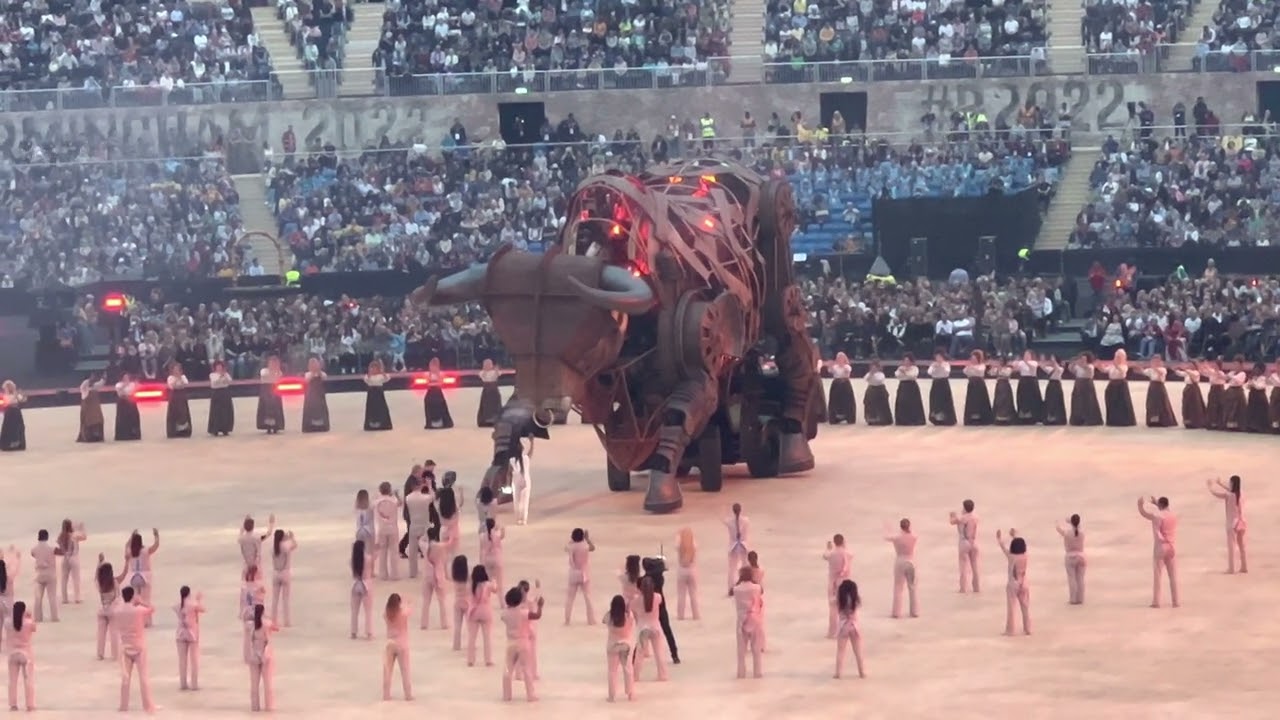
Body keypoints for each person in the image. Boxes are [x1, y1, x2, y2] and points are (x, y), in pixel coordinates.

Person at [113, 586, 156, 712]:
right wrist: (141, 601)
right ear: (132, 596)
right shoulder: (138, 610)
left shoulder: (118, 611)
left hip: (125, 646)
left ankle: (123, 705)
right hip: (139, 645)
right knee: (143, 677)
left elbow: (117, 608)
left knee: (126, 678)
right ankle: (148, 706)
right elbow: (152, 609)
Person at [500, 585, 542, 702]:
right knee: (526, 669)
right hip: (523, 642)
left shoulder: (505, 613)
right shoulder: (523, 613)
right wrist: (540, 606)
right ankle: (530, 695)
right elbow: (537, 616)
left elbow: (503, 617)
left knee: (508, 669)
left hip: (511, 642)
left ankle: (507, 695)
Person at [1137, 496, 1179, 608]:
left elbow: (1144, 514)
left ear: (1160, 505)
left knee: (1158, 575)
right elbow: (1165, 511)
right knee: (1173, 576)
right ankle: (1176, 601)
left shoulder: (1157, 516)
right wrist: (1157, 504)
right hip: (1172, 546)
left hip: (1161, 547)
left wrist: (1140, 505)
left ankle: (1156, 602)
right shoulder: (1173, 515)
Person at [630, 576, 668, 681]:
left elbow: (631, 608)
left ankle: (635, 676)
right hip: (656, 627)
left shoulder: (636, 601)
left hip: (643, 629)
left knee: (640, 654)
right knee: (659, 652)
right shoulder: (658, 597)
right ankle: (663, 675)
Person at [1206, 476, 1247, 573]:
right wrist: (1220, 484)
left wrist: (1210, 487)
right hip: (1242, 522)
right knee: (1242, 546)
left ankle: (1231, 569)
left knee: (1231, 547)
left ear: (1232, 483)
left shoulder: (1229, 495)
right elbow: (1232, 490)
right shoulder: (1241, 493)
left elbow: (1216, 494)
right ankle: (1244, 566)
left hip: (1232, 524)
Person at [729, 566, 764, 679]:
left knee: (741, 651)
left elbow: (730, 592)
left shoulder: (737, 589)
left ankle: (741, 673)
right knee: (756, 649)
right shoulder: (756, 588)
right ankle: (757, 673)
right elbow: (761, 591)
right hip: (755, 619)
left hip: (741, 620)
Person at [245, 604, 278, 712]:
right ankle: (269, 707)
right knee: (268, 683)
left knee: (254, 684)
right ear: (263, 612)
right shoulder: (266, 624)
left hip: (254, 654)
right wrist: (268, 617)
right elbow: (277, 628)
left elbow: (245, 618)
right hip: (265, 654)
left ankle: (255, 707)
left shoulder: (250, 625)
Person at [997, 529, 1030, 635]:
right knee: (1025, 607)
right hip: (1024, 583)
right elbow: (1020, 543)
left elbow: (1003, 548)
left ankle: (1010, 630)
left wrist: (999, 539)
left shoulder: (1011, 557)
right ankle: (1028, 628)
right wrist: (1014, 535)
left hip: (1013, 584)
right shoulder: (1025, 556)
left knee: (1011, 608)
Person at [123, 530, 159, 626]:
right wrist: (156, 536)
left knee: (135, 599)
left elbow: (126, 545)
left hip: (133, 577)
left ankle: (136, 620)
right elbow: (155, 547)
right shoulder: (145, 551)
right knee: (145, 599)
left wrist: (131, 537)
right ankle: (147, 621)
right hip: (145, 577)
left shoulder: (130, 552)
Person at [884, 519, 918, 618]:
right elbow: (914, 533)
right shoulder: (914, 537)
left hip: (900, 561)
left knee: (898, 587)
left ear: (900, 527)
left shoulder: (897, 537)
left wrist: (888, 528)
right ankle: (914, 611)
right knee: (912, 587)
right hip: (911, 561)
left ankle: (896, 612)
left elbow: (886, 537)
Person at [603, 595, 635, 702]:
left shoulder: (609, 616)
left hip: (612, 646)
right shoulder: (629, 616)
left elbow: (604, 621)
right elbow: (632, 621)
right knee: (628, 669)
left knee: (612, 671)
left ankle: (612, 696)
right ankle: (630, 694)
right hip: (626, 645)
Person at [832, 580, 865, 680]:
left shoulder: (839, 601)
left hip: (843, 626)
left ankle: (838, 673)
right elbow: (859, 604)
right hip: (854, 626)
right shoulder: (856, 600)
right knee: (858, 651)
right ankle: (862, 672)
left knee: (841, 651)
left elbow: (832, 601)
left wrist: (836, 591)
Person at [382, 593, 413, 701]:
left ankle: (386, 695)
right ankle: (408, 695)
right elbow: (409, 609)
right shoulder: (403, 613)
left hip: (390, 643)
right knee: (405, 670)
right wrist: (406, 602)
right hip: (402, 644)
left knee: (387, 670)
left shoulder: (386, 614)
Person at [174, 586, 205, 691]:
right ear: (189, 593)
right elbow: (203, 609)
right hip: (192, 633)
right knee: (194, 660)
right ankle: (194, 684)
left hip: (180, 633)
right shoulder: (193, 604)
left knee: (182, 660)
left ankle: (183, 683)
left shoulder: (178, 605)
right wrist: (198, 599)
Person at [94, 556, 125, 661]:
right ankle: (114, 654)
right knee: (114, 633)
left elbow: (96, 575)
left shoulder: (99, 583)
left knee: (101, 633)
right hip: (113, 610)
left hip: (102, 609)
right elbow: (123, 575)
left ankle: (100, 654)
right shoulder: (114, 582)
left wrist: (99, 563)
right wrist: (127, 562)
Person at [822, 535, 853, 638]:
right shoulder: (846, 553)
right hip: (844, 583)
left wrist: (828, 548)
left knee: (833, 608)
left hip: (833, 582)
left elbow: (825, 555)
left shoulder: (831, 554)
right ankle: (845, 630)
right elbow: (851, 554)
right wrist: (844, 546)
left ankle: (832, 632)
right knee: (846, 607)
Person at [6, 601, 35, 711]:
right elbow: (34, 628)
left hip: (12, 653)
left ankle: (13, 704)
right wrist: (30, 617)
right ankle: (30, 704)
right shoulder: (28, 623)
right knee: (28, 680)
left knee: (12, 681)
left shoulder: (8, 622)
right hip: (26, 654)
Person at [466, 565, 497, 667]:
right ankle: (488, 660)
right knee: (487, 637)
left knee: (472, 637)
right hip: (486, 611)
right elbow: (495, 589)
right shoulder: (487, 585)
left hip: (474, 611)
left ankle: (470, 660)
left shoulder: (471, 585)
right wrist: (493, 580)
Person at [418, 527, 448, 630]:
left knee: (426, 600)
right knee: (441, 600)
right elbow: (445, 556)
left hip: (427, 574)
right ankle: (444, 623)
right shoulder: (440, 546)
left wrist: (425, 536)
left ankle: (424, 623)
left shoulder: (424, 546)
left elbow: (420, 540)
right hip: (438, 575)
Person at [565, 529, 597, 625]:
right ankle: (591, 620)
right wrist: (587, 539)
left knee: (570, 598)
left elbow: (566, 548)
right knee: (588, 598)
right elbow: (593, 548)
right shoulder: (585, 546)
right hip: (584, 573)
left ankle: (567, 620)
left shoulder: (571, 547)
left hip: (574, 573)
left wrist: (571, 541)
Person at [404, 482, 435, 579]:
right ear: (420, 486)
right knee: (427, 550)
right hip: (424, 525)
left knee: (412, 551)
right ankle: (429, 570)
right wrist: (429, 486)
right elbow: (433, 496)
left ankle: (413, 572)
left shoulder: (408, 498)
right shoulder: (424, 498)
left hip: (413, 525)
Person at [373, 482, 402, 580]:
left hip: (382, 529)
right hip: (393, 528)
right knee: (394, 552)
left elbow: (371, 504)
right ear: (389, 490)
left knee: (382, 552)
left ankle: (383, 575)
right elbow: (401, 503)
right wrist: (396, 495)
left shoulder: (377, 502)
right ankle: (394, 575)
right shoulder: (393, 501)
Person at [949, 500, 979, 593]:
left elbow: (952, 522)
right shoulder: (976, 517)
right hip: (974, 542)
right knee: (975, 567)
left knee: (963, 567)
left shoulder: (962, 518)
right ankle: (976, 588)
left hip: (964, 542)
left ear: (965, 508)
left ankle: (963, 589)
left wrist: (952, 515)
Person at [1055, 515, 1086, 604]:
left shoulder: (1067, 533)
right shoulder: (1082, 532)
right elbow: (1078, 527)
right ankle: (1081, 599)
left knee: (1072, 578)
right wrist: (1071, 522)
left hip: (1070, 556)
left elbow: (1059, 529)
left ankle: (1073, 599)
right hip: (1081, 556)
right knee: (1080, 579)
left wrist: (1058, 523)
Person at [270, 529, 297, 627]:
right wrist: (291, 538)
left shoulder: (273, 548)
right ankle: (287, 621)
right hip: (285, 572)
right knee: (285, 599)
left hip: (276, 572)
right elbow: (295, 545)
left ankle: (273, 621)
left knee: (275, 599)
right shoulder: (286, 546)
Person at [56, 520, 86, 605]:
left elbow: (60, 545)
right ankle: (77, 598)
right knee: (76, 578)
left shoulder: (61, 536)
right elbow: (84, 537)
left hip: (65, 557)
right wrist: (81, 528)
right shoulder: (74, 535)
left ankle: (65, 599)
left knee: (64, 579)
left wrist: (65, 553)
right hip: (73, 557)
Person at [29, 531, 57, 622]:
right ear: (47, 537)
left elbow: (32, 554)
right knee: (52, 597)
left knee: (38, 598)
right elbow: (61, 552)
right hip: (50, 573)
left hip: (39, 574)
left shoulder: (34, 549)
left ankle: (38, 617)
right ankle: (54, 617)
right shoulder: (51, 548)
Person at [1068, 353, 1103, 426]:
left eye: (1084, 359)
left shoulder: (1090, 366)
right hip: (1078, 384)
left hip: (1087, 385)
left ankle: (1090, 419)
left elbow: (1085, 367)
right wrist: (1072, 364)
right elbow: (1072, 371)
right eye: (1081, 359)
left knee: (1088, 402)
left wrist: (1078, 363)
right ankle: (1078, 419)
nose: (1082, 360)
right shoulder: (1078, 366)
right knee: (1078, 402)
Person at [1143, 356, 1178, 427]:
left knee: (1162, 403)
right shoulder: (1150, 370)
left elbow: (1160, 374)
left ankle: (1163, 420)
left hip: (1159, 387)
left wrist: (1154, 367)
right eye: (1153, 361)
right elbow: (1144, 372)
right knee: (1152, 404)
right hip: (1152, 387)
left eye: (1156, 361)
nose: (1154, 363)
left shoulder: (1162, 369)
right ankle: (1153, 420)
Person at [1103, 351, 1136, 426]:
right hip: (1112, 385)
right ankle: (1113, 420)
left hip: (1121, 386)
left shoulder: (1124, 366)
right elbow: (1104, 370)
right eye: (1116, 357)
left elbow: (1122, 372)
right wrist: (1100, 366)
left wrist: (1116, 366)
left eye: (1119, 357)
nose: (1117, 359)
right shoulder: (1111, 366)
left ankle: (1124, 421)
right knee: (1112, 402)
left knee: (1122, 403)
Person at [724, 504, 751, 594]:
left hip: (735, 545)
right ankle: (745, 586)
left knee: (733, 567)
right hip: (742, 545)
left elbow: (725, 520)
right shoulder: (746, 520)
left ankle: (732, 587)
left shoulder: (728, 521)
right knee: (744, 565)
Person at [891, 355, 925, 425]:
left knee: (912, 403)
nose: (906, 362)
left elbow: (913, 376)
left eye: (908, 361)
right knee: (902, 401)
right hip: (903, 386)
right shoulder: (901, 368)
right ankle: (902, 420)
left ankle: (914, 420)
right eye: (905, 361)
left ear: (911, 361)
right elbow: (897, 375)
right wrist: (903, 372)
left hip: (912, 387)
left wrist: (905, 372)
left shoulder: (914, 368)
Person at [350, 540, 374, 639]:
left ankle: (353, 632)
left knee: (354, 611)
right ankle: (369, 632)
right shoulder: (368, 558)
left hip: (355, 584)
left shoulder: (352, 560)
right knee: (368, 611)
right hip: (366, 584)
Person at [674, 528, 700, 621]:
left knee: (681, 594)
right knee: (693, 594)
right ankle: (696, 615)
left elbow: (677, 545)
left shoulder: (679, 545)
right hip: (692, 569)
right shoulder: (694, 544)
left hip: (682, 570)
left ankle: (680, 615)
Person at [256, 356, 286, 434]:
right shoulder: (264, 371)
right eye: (271, 363)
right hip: (266, 390)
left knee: (276, 408)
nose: (273, 364)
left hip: (275, 390)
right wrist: (272, 371)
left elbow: (278, 378)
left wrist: (275, 370)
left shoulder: (279, 372)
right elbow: (265, 376)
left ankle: (276, 425)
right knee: (266, 408)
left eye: (275, 363)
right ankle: (267, 426)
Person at [423, 357, 455, 429]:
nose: (433, 368)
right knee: (428, 403)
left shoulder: (441, 374)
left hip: (437, 392)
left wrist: (436, 377)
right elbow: (427, 383)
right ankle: (431, 422)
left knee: (439, 404)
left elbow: (441, 382)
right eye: (431, 366)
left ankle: (441, 421)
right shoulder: (427, 374)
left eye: (435, 366)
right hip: (430, 392)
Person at [963, 350, 993, 425]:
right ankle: (972, 418)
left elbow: (980, 370)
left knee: (980, 401)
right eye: (972, 359)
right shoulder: (969, 366)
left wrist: (972, 368)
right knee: (972, 401)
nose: (973, 360)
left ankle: (982, 418)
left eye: (975, 359)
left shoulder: (982, 365)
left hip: (979, 385)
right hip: (972, 385)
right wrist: (970, 367)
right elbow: (965, 371)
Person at [301, 356, 330, 432]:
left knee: (320, 410)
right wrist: (313, 373)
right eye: (312, 365)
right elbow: (306, 380)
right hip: (310, 396)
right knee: (311, 410)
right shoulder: (307, 374)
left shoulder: (322, 374)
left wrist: (319, 372)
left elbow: (325, 378)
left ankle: (321, 425)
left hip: (320, 395)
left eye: (315, 364)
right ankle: (310, 426)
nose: (314, 366)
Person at [826, 352, 856, 424]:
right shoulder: (835, 367)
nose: (840, 359)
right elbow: (830, 371)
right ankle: (836, 417)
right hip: (836, 385)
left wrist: (842, 366)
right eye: (838, 358)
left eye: (841, 358)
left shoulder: (847, 366)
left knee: (846, 401)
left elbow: (847, 372)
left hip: (845, 385)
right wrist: (830, 365)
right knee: (835, 401)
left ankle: (848, 416)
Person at [1014, 350, 1044, 424]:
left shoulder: (1034, 362)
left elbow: (1033, 370)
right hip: (1023, 381)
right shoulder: (1021, 363)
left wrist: (1026, 362)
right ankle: (1023, 416)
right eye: (1025, 354)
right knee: (1022, 398)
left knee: (1032, 398)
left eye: (1028, 355)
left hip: (1031, 381)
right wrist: (1016, 364)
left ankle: (1034, 416)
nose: (1026, 356)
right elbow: (1016, 370)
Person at [206, 360, 235, 436]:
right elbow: (214, 382)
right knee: (216, 412)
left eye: (220, 366)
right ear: (215, 367)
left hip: (225, 393)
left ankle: (225, 429)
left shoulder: (226, 374)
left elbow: (229, 381)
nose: (219, 368)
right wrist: (221, 377)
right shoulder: (212, 375)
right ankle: (215, 429)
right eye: (217, 366)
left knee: (225, 412)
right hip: (216, 394)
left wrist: (224, 376)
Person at [364, 360, 394, 431]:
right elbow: (367, 380)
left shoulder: (381, 376)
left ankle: (383, 424)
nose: (374, 370)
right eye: (372, 368)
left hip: (379, 393)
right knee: (372, 408)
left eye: (376, 368)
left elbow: (387, 378)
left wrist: (382, 372)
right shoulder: (368, 376)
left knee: (381, 408)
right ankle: (371, 424)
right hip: (371, 393)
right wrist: (369, 373)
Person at [164, 363, 192, 438]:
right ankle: (174, 431)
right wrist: (177, 380)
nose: (176, 371)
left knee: (183, 413)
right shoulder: (170, 378)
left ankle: (184, 430)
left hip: (182, 396)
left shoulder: (183, 377)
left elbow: (185, 384)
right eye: (175, 369)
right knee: (174, 413)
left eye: (178, 369)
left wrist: (180, 379)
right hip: (174, 397)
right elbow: (172, 386)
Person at [927, 353, 956, 425]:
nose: (938, 359)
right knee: (936, 401)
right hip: (936, 383)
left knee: (944, 401)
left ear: (943, 357)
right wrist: (935, 367)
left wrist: (941, 366)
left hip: (944, 383)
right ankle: (937, 419)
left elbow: (947, 372)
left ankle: (946, 419)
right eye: (937, 357)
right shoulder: (933, 364)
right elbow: (929, 372)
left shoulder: (946, 364)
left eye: (940, 357)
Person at [480, 518, 506, 598]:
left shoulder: (482, 536)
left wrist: (481, 562)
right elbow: (503, 535)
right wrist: (501, 527)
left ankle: (487, 599)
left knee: (488, 582)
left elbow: (481, 550)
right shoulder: (497, 535)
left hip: (487, 559)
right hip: (496, 559)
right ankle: (502, 602)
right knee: (500, 582)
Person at [77, 374, 106, 442]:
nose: (93, 379)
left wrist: (104, 377)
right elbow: (85, 384)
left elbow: (101, 383)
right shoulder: (84, 388)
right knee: (88, 421)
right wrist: (89, 380)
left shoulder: (95, 386)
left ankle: (97, 436)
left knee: (98, 420)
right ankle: (88, 437)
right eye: (92, 377)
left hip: (95, 408)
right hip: (87, 408)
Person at [1221, 358, 1248, 431]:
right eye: (1234, 364)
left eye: (1237, 364)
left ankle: (1237, 426)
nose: (1235, 366)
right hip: (1230, 391)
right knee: (1229, 408)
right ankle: (1228, 425)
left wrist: (1231, 376)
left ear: (1241, 365)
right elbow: (1225, 378)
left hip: (1238, 392)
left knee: (1236, 409)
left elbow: (1239, 381)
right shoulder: (1232, 372)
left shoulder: (1242, 373)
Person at [113, 374, 142, 441]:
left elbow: (137, 388)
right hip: (123, 403)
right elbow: (120, 391)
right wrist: (125, 384)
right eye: (124, 377)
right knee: (123, 419)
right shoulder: (118, 384)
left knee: (133, 417)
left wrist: (137, 384)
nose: (126, 378)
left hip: (131, 402)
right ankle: (122, 435)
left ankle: (133, 434)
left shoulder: (132, 384)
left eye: (127, 377)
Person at [511, 439, 534, 526]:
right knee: (525, 500)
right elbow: (531, 452)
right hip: (525, 480)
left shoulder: (512, 460)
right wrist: (532, 442)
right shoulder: (525, 458)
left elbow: (509, 472)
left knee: (516, 501)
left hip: (516, 480)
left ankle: (518, 519)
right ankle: (523, 519)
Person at [862, 360, 892, 425]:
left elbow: (879, 380)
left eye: (875, 367)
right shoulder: (869, 374)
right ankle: (872, 419)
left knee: (881, 406)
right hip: (871, 391)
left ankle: (882, 419)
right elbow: (865, 379)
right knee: (870, 406)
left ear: (878, 367)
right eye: (872, 367)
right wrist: (871, 374)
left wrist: (873, 375)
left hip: (880, 391)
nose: (873, 368)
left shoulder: (881, 374)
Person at [451, 556, 470, 651]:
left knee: (457, 625)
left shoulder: (454, 578)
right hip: (468, 603)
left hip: (457, 602)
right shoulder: (469, 577)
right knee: (470, 625)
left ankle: (456, 645)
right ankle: (471, 642)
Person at [1040, 356, 1067, 425]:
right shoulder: (1050, 369)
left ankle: (1057, 418)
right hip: (1050, 384)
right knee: (1049, 401)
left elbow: (1057, 369)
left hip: (1057, 385)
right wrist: (1042, 361)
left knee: (1056, 401)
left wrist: (1054, 361)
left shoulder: (1061, 369)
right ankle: (1049, 417)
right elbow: (1043, 367)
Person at [477, 359, 504, 427]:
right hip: (486, 390)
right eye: (486, 364)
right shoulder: (482, 372)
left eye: (489, 364)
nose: (488, 366)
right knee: (486, 405)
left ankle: (496, 420)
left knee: (495, 405)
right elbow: (483, 377)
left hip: (494, 390)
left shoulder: (494, 372)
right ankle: (485, 420)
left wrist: (496, 370)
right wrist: (485, 371)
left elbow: (498, 375)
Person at [1245, 364, 1271, 433]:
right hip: (1253, 397)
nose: (1255, 370)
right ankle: (1252, 427)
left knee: (1259, 414)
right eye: (1255, 369)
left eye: (1257, 369)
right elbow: (1247, 386)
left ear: (1261, 370)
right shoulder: (1253, 377)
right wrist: (1250, 381)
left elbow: (1259, 386)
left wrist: (1253, 382)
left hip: (1260, 398)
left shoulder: (1263, 378)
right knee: (1252, 413)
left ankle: (1260, 428)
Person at [0, 381, 26, 451]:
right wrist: (15, 396)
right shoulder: (4, 396)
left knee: (18, 428)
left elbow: (23, 400)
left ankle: (18, 444)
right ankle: (8, 445)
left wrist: (22, 395)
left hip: (16, 413)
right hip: (9, 413)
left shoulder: (16, 394)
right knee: (9, 429)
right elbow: (7, 403)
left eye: (5, 388)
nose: (4, 389)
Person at [990, 358, 1016, 425]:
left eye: (1001, 361)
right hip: (999, 385)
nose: (1000, 362)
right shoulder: (997, 369)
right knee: (998, 401)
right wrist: (993, 367)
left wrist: (1000, 369)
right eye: (999, 361)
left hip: (1005, 384)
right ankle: (998, 418)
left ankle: (1007, 418)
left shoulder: (1008, 369)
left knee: (1005, 401)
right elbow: (991, 373)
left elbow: (1007, 374)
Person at [1180, 363, 1206, 429]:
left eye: (1191, 365)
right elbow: (1180, 373)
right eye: (1189, 365)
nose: (1189, 366)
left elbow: (1192, 374)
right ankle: (1188, 422)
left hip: (1194, 389)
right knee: (1187, 405)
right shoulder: (1187, 373)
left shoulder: (1196, 372)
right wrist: (1175, 369)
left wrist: (1186, 369)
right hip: (1187, 388)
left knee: (1195, 406)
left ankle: (1196, 422)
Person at [1202, 360, 1227, 430]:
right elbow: (1204, 372)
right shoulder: (1212, 372)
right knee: (1211, 406)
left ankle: (1219, 424)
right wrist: (1204, 366)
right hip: (1213, 389)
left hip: (1219, 389)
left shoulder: (1220, 373)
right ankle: (1211, 423)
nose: (1214, 366)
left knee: (1219, 405)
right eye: (1214, 365)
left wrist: (1216, 372)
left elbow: (1225, 378)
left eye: (1216, 365)